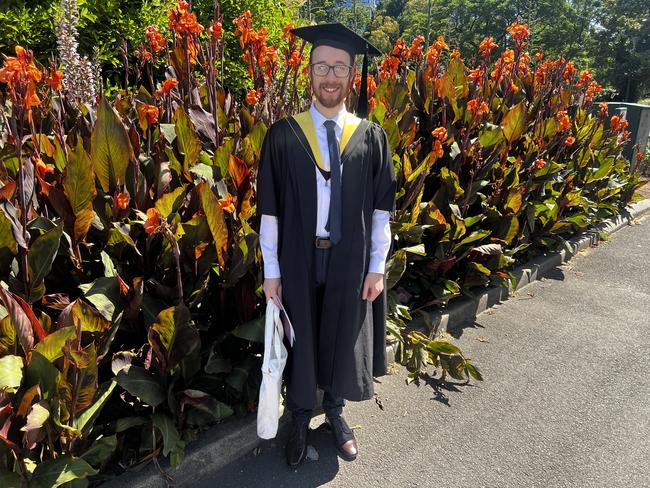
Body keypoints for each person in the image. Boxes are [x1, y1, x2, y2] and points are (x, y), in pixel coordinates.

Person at [256, 23, 396, 467]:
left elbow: (380, 210)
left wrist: (377, 266)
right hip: (298, 259)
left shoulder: (371, 137)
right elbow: (270, 212)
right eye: (321, 67)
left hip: (350, 261)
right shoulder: (283, 135)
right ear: (310, 73)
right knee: (300, 338)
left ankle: (333, 413)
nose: (329, 76)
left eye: (338, 67)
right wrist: (271, 271)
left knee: (341, 337)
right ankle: (299, 417)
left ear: (352, 74)